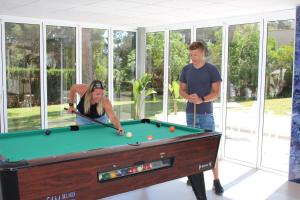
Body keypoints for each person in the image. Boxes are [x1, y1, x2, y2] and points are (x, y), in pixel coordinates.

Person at [179, 41, 224, 195]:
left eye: (196, 54)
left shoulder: (212, 70)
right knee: (193, 148)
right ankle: (194, 176)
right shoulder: (186, 69)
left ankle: (216, 180)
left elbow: (216, 93)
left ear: (203, 53)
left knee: (209, 149)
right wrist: (189, 97)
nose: (193, 58)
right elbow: (182, 91)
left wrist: (202, 99)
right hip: (190, 113)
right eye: (191, 55)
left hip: (206, 115)